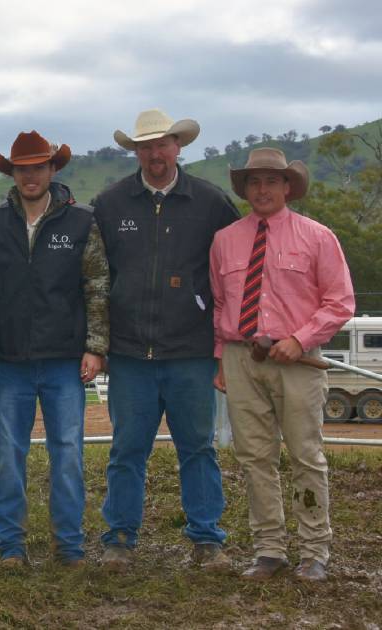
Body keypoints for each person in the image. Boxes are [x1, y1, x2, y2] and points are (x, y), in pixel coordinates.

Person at [92, 109, 240, 571]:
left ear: (179, 147)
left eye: (163, 144)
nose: (155, 154)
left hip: (190, 351)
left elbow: (231, 271)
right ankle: (119, 537)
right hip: (130, 352)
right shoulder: (110, 204)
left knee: (197, 447)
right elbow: (95, 276)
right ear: (135, 152)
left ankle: (206, 538)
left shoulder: (211, 203)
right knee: (127, 449)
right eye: (146, 146)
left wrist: (222, 344)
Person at [210, 148, 354, 582]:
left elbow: (340, 302)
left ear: (288, 187)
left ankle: (314, 550)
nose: (263, 189)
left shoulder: (318, 237)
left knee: (306, 455)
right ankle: (269, 548)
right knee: (254, 456)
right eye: (255, 182)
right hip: (241, 357)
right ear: (245, 189)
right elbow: (220, 305)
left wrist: (300, 338)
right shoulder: (225, 240)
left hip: (298, 362)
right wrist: (221, 361)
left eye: (272, 181)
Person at [0, 131, 109, 566]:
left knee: (67, 451)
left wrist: (95, 346)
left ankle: (68, 545)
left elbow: (98, 286)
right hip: (10, 358)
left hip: (65, 360)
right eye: (22, 169)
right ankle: (9, 545)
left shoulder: (82, 221)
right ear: (12, 174)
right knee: (8, 453)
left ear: (53, 169)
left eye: (38, 167)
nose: (30, 176)